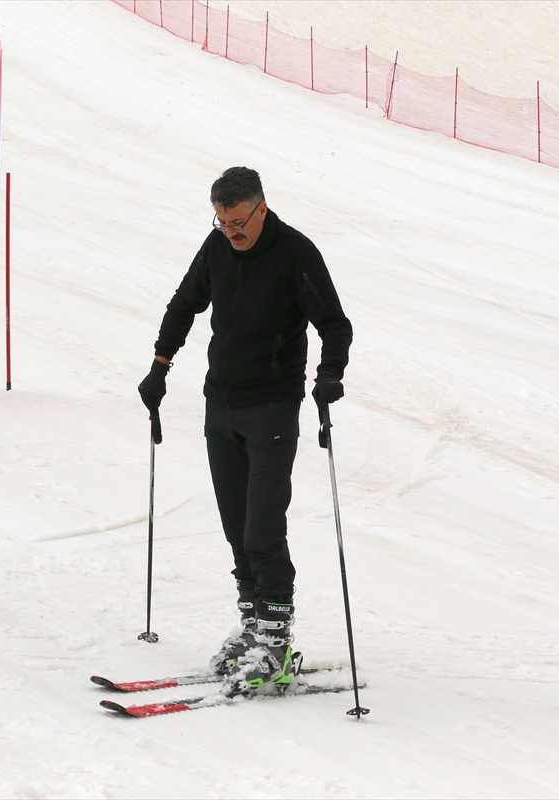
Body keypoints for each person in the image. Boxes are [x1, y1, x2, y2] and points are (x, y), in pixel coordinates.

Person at [138, 167, 353, 695]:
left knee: (263, 528)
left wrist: (330, 375)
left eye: (237, 222)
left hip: (272, 409)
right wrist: (160, 365)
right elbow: (184, 304)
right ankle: (254, 626)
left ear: (261, 208)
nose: (230, 231)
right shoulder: (216, 249)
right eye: (221, 221)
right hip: (223, 406)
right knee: (236, 526)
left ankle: (275, 643)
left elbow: (334, 323)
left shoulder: (295, 253)